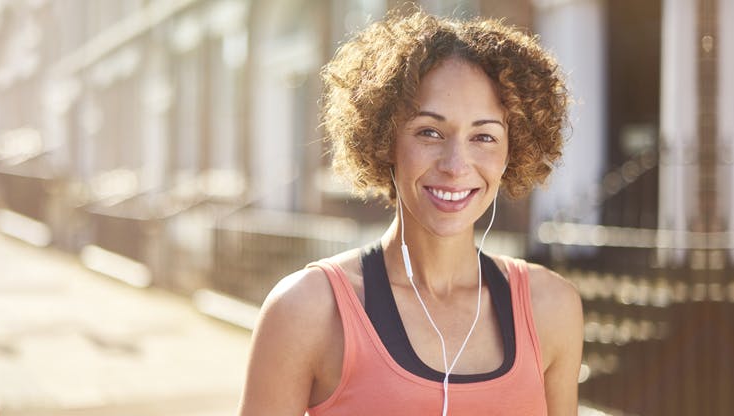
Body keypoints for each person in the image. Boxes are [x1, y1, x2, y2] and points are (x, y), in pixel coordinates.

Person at [239, 7, 582, 416]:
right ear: (385, 141)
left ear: (513, 151)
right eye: (429, 132)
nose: (456, 165)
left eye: (484, 136)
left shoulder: (552, 308)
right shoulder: (306, 310)